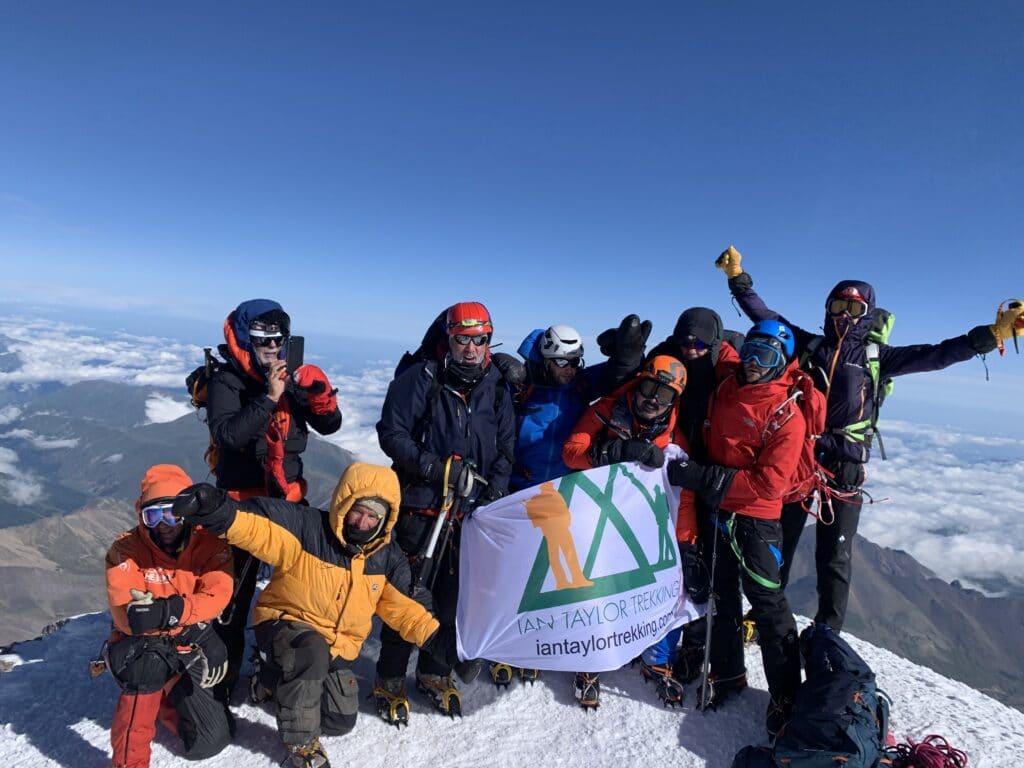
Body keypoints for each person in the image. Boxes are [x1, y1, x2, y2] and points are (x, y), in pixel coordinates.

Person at [716, 245, 1018, 633]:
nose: (845, 316)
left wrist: (994, 334)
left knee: (835, 555)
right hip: (800, 458)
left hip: (844, 467)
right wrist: (738, 278)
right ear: (828, 310)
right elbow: (766, 316)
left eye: (855, 310)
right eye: (838, 307)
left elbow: (939, 353)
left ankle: (827, 633)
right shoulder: (811, 346)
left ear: (868, 315)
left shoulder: (879, 356)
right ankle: (764, 616)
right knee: (783, 540)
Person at [172, 462, 460, 768]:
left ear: (386, 519)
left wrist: (444, 646)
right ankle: (301, 747)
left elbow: (407, 610)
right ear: (344, 504)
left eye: (373, 515)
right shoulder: (308, 528)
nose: (363, 522)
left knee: (339, 719)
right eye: (357, 510)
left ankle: (269, 679)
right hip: (286, 623)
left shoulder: (387, 560)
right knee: (310, 653)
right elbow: (257, 526)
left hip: (335, 646)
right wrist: (217, 510)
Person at [373, 301, 515, 720]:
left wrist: (494, 494)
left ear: (489, 341)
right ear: (447, 340)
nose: (470, 349)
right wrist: (435, 469)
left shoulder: (498, 386)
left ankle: (434, 672)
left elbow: (505, 447)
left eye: (480, 340)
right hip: (421, 506)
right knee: (409, 593)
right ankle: (390, 677)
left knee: (455, 596)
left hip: (471, 512)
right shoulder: (421, 379)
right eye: (462, 340)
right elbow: (391, 433)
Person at [667, 320, 806, 738]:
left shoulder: (788, 415)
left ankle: (785, 696)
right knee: (721, 594)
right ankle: (728, 673)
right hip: (717, 509)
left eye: (764, 357)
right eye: (750, 352)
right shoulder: (730, 376)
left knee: (766, 603)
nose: (752, 363)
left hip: (756, 518)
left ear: (780, 363)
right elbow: (712, 343)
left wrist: (703, 478)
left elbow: (769, 483)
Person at [206, 298, 342, 693]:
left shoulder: (292, 376)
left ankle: (280, 669)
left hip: (288, 501)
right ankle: (223, 681)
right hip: (242, 504)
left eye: (277, 341)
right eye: (263, 340)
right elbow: (228, 435)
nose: (272, 348)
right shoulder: (227, 380)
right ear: (246, 339)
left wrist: (318, 395)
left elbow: (330, 426)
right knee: (234, 596)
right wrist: (268, 396)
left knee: (298, 591)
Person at [562, 355, 695, 708]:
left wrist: (685, 543)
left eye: (664, 395)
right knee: (594, 585)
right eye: (650, 387)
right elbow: (572, 452)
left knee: (662, 584)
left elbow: (685, 496)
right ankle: (589, 657)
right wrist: (617, 450)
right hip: (598, 516)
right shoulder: (605, 411)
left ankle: (658, 658)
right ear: (638, 383)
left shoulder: (676, 440)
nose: (653, 399)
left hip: (645, 525)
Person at [104, 464, 234, 768]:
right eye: (153, 515)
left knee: (210, 740)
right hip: (141, 644)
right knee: (148, 663)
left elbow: (217, 595)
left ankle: (163, 699)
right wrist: (174, 619)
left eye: (171, 513)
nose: (163, 524)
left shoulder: (210, 545)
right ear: (142, 516)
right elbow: (129, 618)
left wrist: (181, 621)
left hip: (186, 641)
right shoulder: (125, 550)